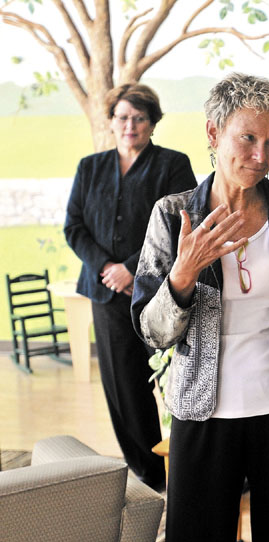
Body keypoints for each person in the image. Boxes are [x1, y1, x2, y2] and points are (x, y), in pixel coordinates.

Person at [131, 73, 269, 542]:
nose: (261, 156)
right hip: (204, 416)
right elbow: (152, 333)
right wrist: (182, 276)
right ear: (213, 133)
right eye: (248, 138)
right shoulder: (174, 217)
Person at [64, 83, 196, 491]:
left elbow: (181, 224)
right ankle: (150, 476)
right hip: (106, 295)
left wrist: (129, 268)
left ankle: (193, 469)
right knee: (124, 390)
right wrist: (107, 267)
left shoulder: (173, 164)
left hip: (160, 292)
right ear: (111, 122)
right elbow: (74, 226)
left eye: (139, 118)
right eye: (122, 117)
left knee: (181, 380)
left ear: (153, 123)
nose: (130, 125)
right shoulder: (90, 167)